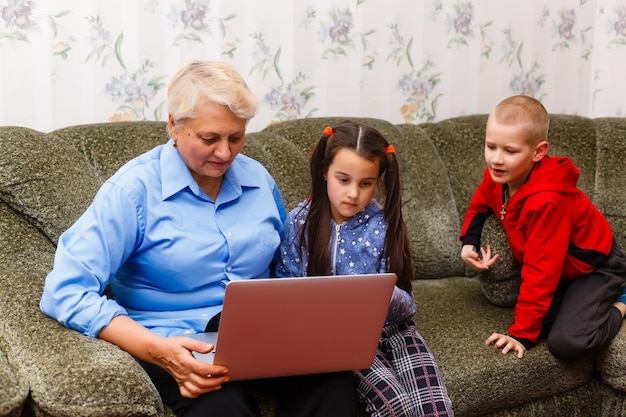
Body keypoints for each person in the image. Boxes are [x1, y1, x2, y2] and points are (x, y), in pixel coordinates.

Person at [40, 61, 357, 417]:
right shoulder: (133, 191)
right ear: (174, 124)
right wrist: (158, 350)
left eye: (236, 137)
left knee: (333, 384)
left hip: (261, 336)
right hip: (175, 341)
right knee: (223, 408)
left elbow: (286, 268)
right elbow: (65, 290)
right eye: (209, 139)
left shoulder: (258, 180)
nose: (225, 153)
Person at [275, 121, 455, 417]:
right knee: (395, 405)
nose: (353, 194)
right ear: (324, 172)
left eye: (366, 183)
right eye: (343, 180)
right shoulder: (299, 224)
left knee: (433, 408)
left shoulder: (384, 224)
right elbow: (284, 289)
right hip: (344, 336)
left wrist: (382, 295)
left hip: (398, 330)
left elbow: (408, 304)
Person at [460, 94, 626, 361]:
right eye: (491, 146)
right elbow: (478, 205)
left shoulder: (548, 201)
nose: (496, 159)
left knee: (566, 343)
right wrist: (468, 243)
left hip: (596, 267)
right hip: (564, 270)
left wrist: (521, 335)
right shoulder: (497, 177)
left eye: (510, 151)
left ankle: (622, 297)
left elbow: (541, 271)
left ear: (538, 151)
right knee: (543, 323)